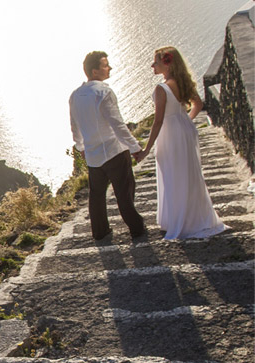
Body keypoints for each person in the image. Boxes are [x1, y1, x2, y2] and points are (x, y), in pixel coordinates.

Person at [138, 46, 229, 239]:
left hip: (170, 134)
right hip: (185, 130)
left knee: (173, 174)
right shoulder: (182, 82)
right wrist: (186, 119)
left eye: (156, 61)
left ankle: (178, 220)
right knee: (188, 174)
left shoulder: (162, 88)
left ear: (166, 63)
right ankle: (192, 217)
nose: (152, 65)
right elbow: (199, 104)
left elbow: (158, 121)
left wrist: (146, 149)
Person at [70, 51, 146, 241]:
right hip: (114, 151)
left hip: (93, 155)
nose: (109, 67)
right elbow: (117, 124)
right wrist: (135, 147)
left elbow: (74, 125)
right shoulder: (104, 92)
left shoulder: (75, 96)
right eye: (105, 65)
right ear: (95, 71)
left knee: (96, 196)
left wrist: (80, 147)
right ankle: (136, 228)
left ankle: (100, 231)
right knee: (124, 192)